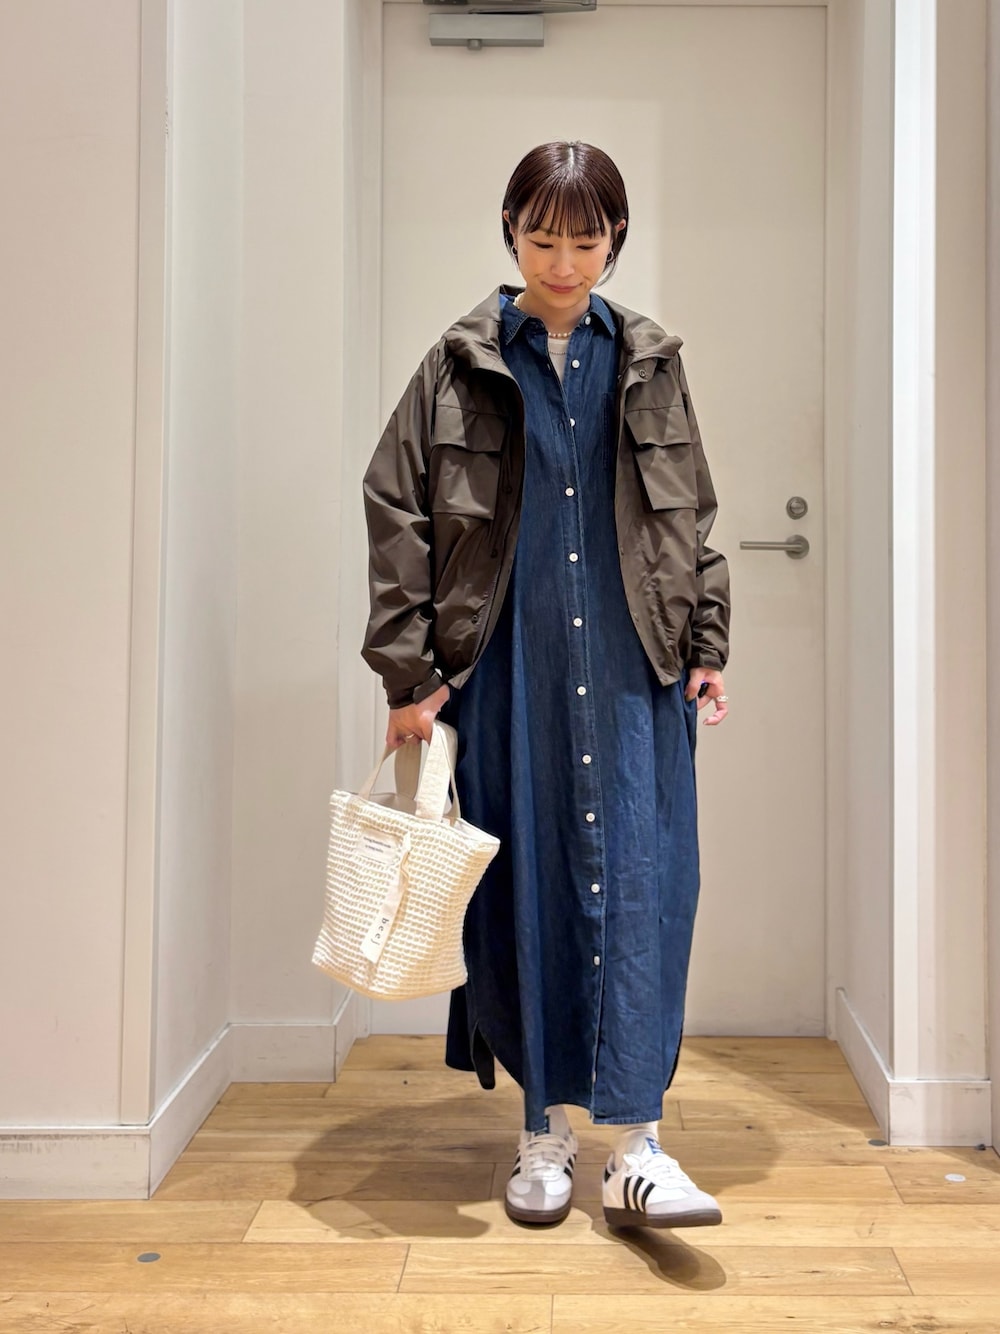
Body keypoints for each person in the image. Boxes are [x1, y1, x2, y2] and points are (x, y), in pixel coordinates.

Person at [362, 141, 730, 1231]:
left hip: (632, 670)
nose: (563, 263)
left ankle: (639, 1145)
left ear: (615, 240)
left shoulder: (651, 361)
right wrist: (410, 671)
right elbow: (397, 508)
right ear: (509, 233)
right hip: (510, 669)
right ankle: (543, 1131)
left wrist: (706, 641)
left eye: (585, 240)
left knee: (642, 890)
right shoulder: (459, 363)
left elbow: (694, 514)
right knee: (521, 889)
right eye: (541, 238)